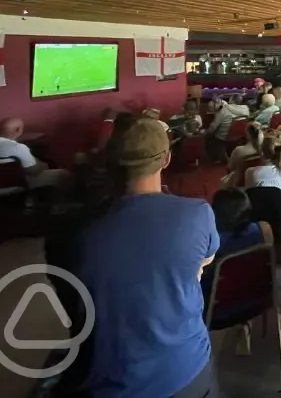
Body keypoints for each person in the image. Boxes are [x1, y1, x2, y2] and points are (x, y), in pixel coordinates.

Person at [78, 118, 221, 397]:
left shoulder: (80, 234)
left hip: (114, 382)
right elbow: (206, 260)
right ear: (166, 159)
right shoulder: (197, 214)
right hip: (189, 369)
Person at [202, 188, 274, 307]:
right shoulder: (262, 230)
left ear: (215, 212)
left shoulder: (211, 241)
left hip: (217, 309)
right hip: (258, 302)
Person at [0, 118, 70, 193]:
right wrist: (44, 165)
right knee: (63, 175)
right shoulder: (19, 148)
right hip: (17, 186)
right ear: (18, 130)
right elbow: (33, 170)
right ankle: (60, 208)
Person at [204, 98, 250, 162]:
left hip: (224, 137)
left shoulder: (223, 111)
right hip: (241, 135)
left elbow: (213, 127)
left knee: (209, 137)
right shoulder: (246, 108)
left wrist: (205, 132)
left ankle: (215, 159)